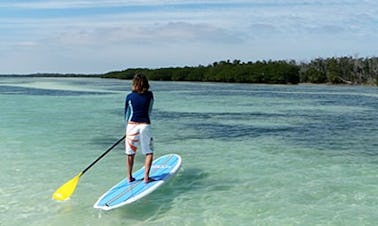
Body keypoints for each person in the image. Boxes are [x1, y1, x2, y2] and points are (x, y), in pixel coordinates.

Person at [124, 73, 154, 183]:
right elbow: (149, 111)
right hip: (145, 125)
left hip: (131, 125)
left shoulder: (129, 97)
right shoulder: (150, 95)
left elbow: (127, 114)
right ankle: (146, 177)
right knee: (148, 152)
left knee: (130, 153)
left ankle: (129, 177)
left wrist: (127, 129)